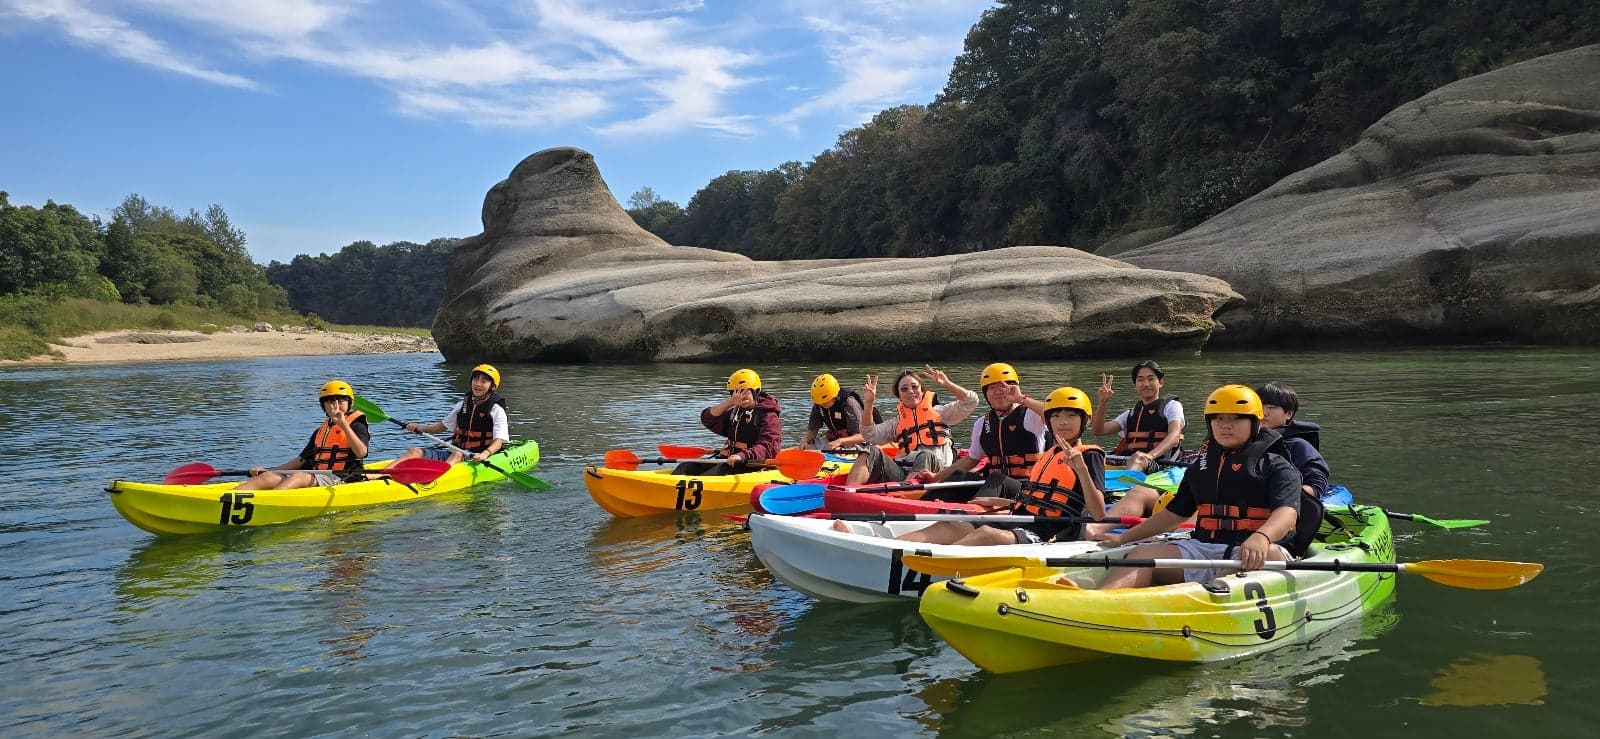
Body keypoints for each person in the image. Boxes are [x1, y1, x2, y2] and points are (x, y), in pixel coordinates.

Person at [1088, 384, 1302, 588]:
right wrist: (1123, 538)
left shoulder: (1277, 465)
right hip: (1202, 548)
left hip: (1255, 551)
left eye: (1236, 419)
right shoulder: (1201, 466)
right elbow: (1173, 515)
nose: (1225, 425)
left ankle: (1209, 594)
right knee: (1140, 554)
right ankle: (1097, 605)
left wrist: (1261, 537)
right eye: (1218, 418)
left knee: (1269, 553)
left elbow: (1287, 514)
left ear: (1255, 422)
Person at [834, 386, 1107, 544]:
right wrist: (1004, 505)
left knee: (988, 532)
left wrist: (1081, 468)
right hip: (1024, 519)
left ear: (1083, 420)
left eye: (1071, 416)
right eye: (1056, 416)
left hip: (1055, 534)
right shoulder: (1049, 454)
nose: (1063, 422)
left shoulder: (1089, 455)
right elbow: (1033, 499)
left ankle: (936, 561)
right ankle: (886, 546)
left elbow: (1097, 514)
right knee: (956, 524)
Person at [916, 362, 1048, 501]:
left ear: (1014, 388)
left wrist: (1021, 399)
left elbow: (1052, 414)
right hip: (995, 486)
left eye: (1004, 387)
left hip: (1028, 487)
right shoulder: (982, 423)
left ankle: (973, 512)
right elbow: (970, 460)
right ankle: (924, 504)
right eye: (992, 388)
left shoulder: (1031, 415)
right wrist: (936, 477)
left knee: (998, 479)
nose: (998, 392)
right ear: (986, 393)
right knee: (962, 475)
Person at [841, 365, 979, 485]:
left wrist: (946, 383)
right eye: (904, 389)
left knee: (925, 454)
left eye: (914, 387)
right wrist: (869, 403)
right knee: (870, 451)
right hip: (903, 474)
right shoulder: (896, 423)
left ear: (922, 391)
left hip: (935, 474)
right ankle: (847, 493)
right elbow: (869, 434)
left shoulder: (941, 413)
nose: (910, 391)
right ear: (899, 396)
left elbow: (971, 401)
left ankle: (908, 491)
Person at [236, 380, 371, 490]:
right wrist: (268, 470)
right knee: (269, 476)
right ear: (323, 406)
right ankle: (231, 496)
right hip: (318, 475)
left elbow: (361, 453)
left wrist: (344, 426)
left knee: (299, 476)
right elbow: (299, 461)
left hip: (343, 478)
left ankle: (266, 502)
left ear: (349, 403)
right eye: (330, 402)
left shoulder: (356, 425)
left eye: (341, 401)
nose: (335, 406)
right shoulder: (320, 431)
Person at [673, 368, 782, 476]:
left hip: (752, 463)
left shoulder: (769, 416)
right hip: (728, 459)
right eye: (735, 393)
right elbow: (707, 419)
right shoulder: (736, 411)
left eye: (744, 392)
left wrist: (741, 455)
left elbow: (767, 447)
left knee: (714, 474)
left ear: (756, 392)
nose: (741, 397)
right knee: (685, 467)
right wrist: (730, 403)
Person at [395, 364, 509, 464]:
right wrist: (419, 427)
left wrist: (485, 454)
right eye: (476, 379)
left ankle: (436, 481)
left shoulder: (496, 410)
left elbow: (499, 440)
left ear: (492, 387)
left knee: (457, 455)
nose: (478, 384)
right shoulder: (462, 405)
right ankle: (382, 474)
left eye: (484, 381)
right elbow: (442, 426)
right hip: (453, 451)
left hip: (475, 456)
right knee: (414, 451)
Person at [1091, 360, 1186, 473]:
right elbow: (1099, 431)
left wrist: (1149, 456)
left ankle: (1125, 487)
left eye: (1151, 379)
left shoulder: (1172, 406)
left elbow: (1174, 436)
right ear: (1135, 385)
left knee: (1137, 459)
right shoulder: (1130, 414)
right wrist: (1102, 403)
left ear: (1160, 382)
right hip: (1130, 461)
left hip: (1160, 463)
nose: (1146, 384)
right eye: (1140, 380)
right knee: (1092, 456)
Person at [1256, 382, 1329, 499]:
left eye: (1271, 407)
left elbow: (1316, 482)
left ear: (1288, 414)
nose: (1263, 413)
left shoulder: (1298, 445)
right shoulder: (1240, 442)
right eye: (1259, 407)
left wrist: (1288, 499)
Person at [799, 373, 873, 452]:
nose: (822, 405)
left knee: (836, 450)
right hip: (835, 438)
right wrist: (805, 439)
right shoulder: (819, 404)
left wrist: (840, 441)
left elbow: (862, 436)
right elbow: (813, 430)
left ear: (834, 396)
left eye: (825, 402)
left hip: (857, 442)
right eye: (819, 403)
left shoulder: (849, 404)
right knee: (807, 447)